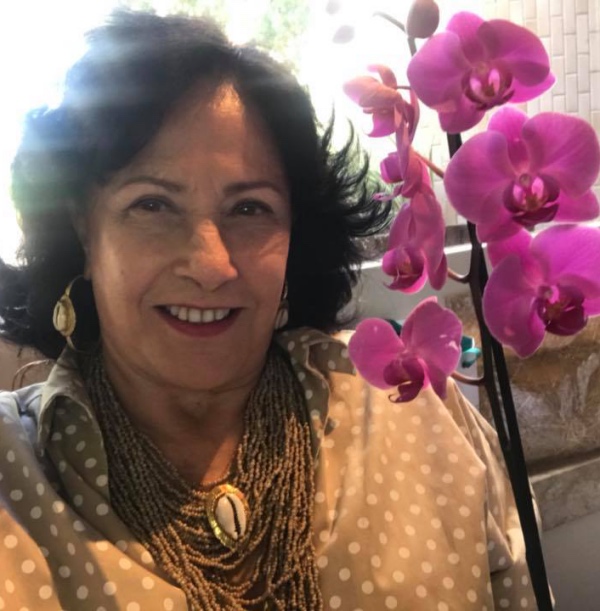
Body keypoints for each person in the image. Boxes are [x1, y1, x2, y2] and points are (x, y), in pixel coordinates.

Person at [0, 9, 538, 610]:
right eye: (152, 205)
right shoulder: (14, 477)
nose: (211, 265)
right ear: (83, 231)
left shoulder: (414, 410)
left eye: (250, 209)